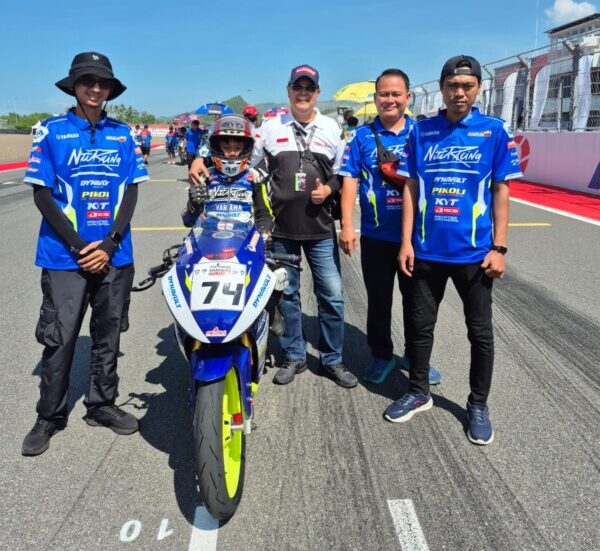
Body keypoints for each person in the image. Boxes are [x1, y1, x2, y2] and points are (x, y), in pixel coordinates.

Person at [385, 55, 523, 445]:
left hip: (475, 255)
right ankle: (418, 391)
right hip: (426, 251)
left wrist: (500, 247)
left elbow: (501, 190)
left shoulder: (494, 130)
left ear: (479, 88)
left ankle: (478, 404)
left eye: (467, 86)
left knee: (480, 333)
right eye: (452, 85)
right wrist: (406, 241)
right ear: (442, 88)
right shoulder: (421, 130)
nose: (459, 92)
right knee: (418, 328)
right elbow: (411, 188)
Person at [21, 51, 149, 456]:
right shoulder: (50, 131)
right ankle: (49, 415)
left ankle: (101, 404)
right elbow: (42, 195)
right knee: (59, 337)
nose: (95, 89)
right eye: (87, 81)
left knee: (108, 334)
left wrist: (109, 244)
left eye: (102, 83)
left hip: (115, 254)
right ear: (74, 86)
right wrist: (80, 246)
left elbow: (131, 192)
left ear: (110, 89)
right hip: (64, 255)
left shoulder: (124, 134)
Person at [338, 69, 442, 386]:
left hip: (417, 238)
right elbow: (349, 180)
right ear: (375, 98)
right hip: (376, 236)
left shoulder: (423, 133)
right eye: (384, 94)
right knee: (379, 302)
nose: (390, 99)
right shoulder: (360, 137)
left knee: (418, 304)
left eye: (396, 94)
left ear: (408, 97)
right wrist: (347, 226)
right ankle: (382, 356)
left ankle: (415, 357)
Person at [255, 65, 355, 387]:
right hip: (281, 230)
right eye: (297, 87)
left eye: (309, 88)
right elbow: (246, 163)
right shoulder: (270, 127)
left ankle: (332, 359)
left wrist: (329, 189)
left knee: (333, 295)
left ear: (317, 93)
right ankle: (294, 356)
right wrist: (201, 158)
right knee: (287, 295)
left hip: (320, 230)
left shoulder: (331, 128)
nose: (303, 93)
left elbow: (342, 174)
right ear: (288, 91)